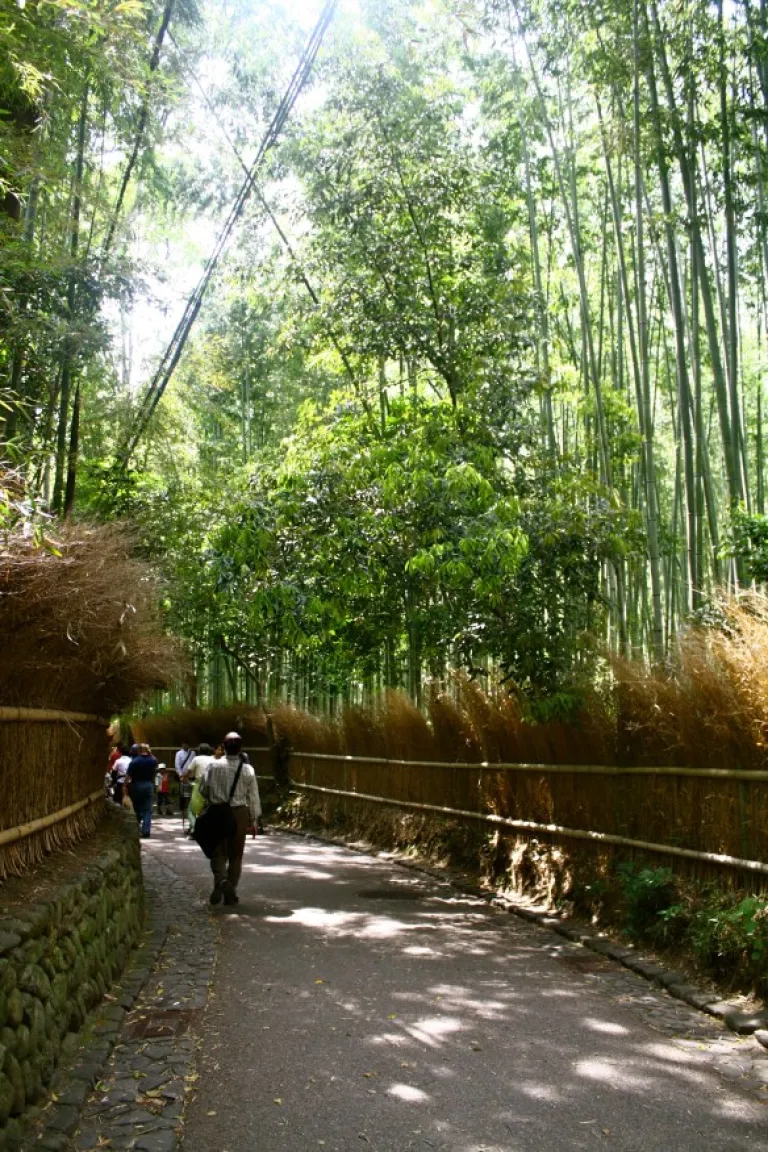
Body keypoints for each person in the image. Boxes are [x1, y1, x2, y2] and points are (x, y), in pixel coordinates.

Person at [200, 731, 261, 906]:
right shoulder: (248, 769)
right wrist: (254, 820)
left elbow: (203, 790)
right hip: (239, 813)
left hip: (217, 811)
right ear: (240, 749)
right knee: (235, 855)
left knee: (217, 851)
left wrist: (214, 797)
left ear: (223, 747)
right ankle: (229, 889)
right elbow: (253, 797)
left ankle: (221, 881)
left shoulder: (213, 766)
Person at [127, 743, 158, 838]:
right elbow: (155, 768)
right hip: (148, 784)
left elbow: (128, 776)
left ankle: (137, 828)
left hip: (136, 785)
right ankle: (146, 830)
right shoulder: (153, 760)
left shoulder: (134, 761)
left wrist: (124, 786)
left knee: (136, 807)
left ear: (139, 751)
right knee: (147, 809)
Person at [184, 743, 214, 836]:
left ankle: (194, 828)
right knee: (209, 808)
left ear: (199, 751)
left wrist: (184, 779)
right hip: (212, 785)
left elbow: (188, 772)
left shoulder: (196, 759)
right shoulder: (213, 759)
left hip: (199, 784)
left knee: (192, 809)